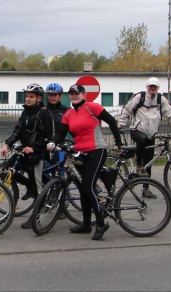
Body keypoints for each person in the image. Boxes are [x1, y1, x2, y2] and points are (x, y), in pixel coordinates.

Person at [47, 84, 123, 241]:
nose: (74, 96)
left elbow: (112, 122)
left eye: (77, 93)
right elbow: (61, 132)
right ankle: (87, 224)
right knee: (82, 189)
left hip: (96, 150)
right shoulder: (68, 113)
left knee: (88, 186)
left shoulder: (92, 107)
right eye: (72, 93)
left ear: (83, 94)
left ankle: (101, 223)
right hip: (80, 152)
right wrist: (53, 142)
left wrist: (118, 143)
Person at [117, 77, 171, 199]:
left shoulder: (161, 99)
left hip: (152, 133)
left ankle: (146, 189)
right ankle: (139, 165)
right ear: (147, 87)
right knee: (142, 140)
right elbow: (127, 110)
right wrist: (120, 124)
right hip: (137, 130)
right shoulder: (139, 97)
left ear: (158, 88)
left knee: (149, 162)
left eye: (155, 86)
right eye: (150, 86)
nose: (152, 88)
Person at [1, 83, 54, 229]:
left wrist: (35, 148)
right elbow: (18, 129)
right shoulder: (26, 112)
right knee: (7, 168)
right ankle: (29, 187)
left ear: (38, 98)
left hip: (38, 154)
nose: (28, 99)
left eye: (31, 97)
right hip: (25, 151)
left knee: (38, 186)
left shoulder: (44, 113)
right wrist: (7, 144)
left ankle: (36, 215)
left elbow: (47, 137)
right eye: (26, 97)